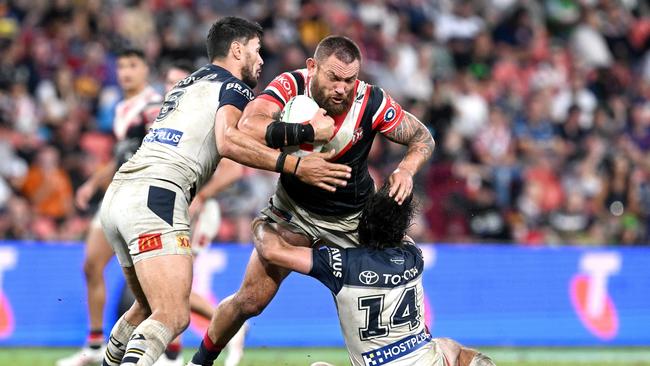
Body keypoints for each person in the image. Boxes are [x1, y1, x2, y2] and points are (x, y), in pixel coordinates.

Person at [99, 17, 351, 366]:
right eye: (256, 50)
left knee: (144, 307)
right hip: (158, 195)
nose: (261, 60)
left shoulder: (190, 81)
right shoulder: (233, 86)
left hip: (120, 193)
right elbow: (230, 140)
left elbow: (238, 135)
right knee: (173, 315)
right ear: (237, 50)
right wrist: (299, 152)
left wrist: (294, 133)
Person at [189, 35, 435, 366]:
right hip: (294, 213)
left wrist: (406, 169)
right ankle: (199, 362)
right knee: (250, 300)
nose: (342, 89)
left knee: (396, 281)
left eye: (350, 80)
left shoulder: (372, 101)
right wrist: (306, 133)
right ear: (312, 67)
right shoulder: (290, 85)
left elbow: (422, 138)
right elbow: (247, 125)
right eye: (333, 77)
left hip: (355, 219)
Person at [250, 183, 495, 366]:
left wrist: (260, 222)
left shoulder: (341, 265)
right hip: (424, 359)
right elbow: (392, 224)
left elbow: (272, 250)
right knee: (451, 348)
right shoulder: (413, 255)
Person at [57, 47, 163, 366]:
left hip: (142, 199)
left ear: (146, 69)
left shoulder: (155, 105)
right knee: (91, 264)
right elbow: (120, 155)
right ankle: (93, 345)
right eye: (121, 67)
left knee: (150, 280)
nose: (126, 72)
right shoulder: (121, 108)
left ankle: (159, 348)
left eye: (133, 65)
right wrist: (92, 183)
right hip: (116, 196)